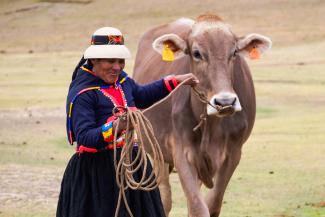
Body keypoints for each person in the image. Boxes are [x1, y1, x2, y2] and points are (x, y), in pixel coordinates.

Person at [56, 27, 199, 217]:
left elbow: (141, 96)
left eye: (120, 61)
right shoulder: (83, 94)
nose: (117, 67)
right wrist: (116, 126)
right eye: (110, 61)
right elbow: (85, 137)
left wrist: (174, 81)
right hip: (97, 176)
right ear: (93, 61)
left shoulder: (121, 81)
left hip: (133, 165)